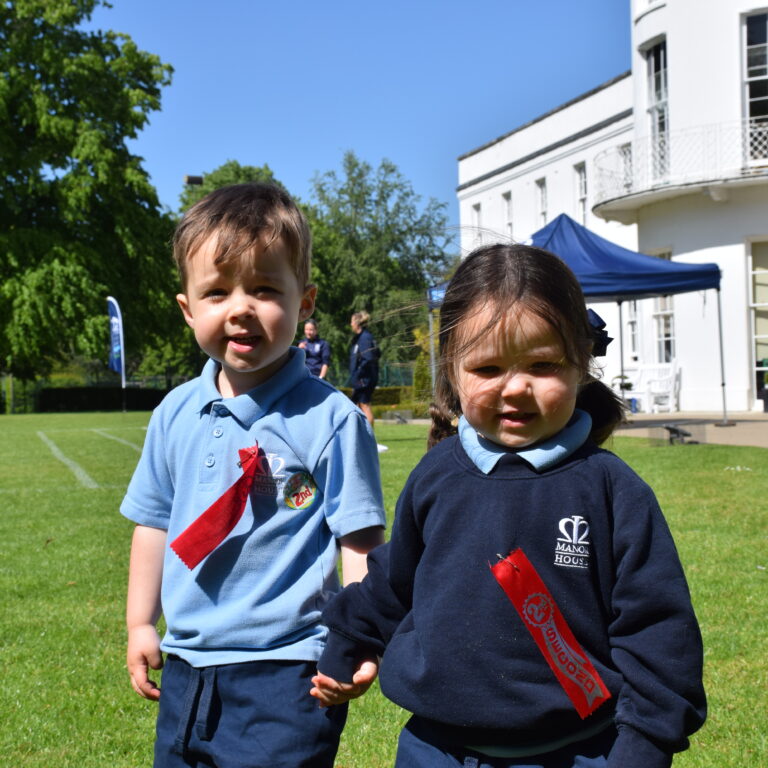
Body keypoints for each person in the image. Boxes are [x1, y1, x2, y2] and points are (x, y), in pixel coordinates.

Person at [311, 243, 706, 768]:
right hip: (433, 751)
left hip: (579, 752)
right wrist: (348, 643)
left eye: (542, 365)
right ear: (452, 369)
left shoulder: (613, 490)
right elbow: (392, 580)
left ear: (580, 363)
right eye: (488, 367)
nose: (515, 388)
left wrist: (645, 746)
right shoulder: (437, 474)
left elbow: (659, 631)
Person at [121, 183, 386, 768]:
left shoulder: (331, 419)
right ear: (188, 309)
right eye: (216, 292)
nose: (240, 308)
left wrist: (362, 634)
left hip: (289, 669)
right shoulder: (174, 413)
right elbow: (153, 524)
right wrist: (142, 622)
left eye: (265, 288)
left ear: (305, 301)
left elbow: (359, 538)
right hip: (189, 662)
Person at [348, 310, 388, 453]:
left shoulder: (365, 338)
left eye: (352, 321)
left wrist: (359, 374)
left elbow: (369, 357)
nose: (350, 324)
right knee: (358, 406)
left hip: (364, 378)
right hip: (360, 378)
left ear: (357, 322)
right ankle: (361, 438)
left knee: (365, 405)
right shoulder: (359, 338)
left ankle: (370, 440)